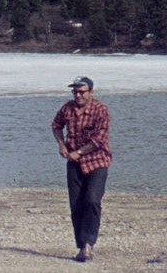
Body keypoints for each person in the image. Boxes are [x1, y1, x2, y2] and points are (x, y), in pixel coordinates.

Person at [51, 76, 111, 263]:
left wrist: (78, 152)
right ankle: (81, 245)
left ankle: (89, 245)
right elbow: (56, 125)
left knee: (92, 200)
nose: (78, 95)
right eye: (75, 92)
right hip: (74, 162)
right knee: (76, 204)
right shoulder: (67, 108)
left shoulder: (100, 110)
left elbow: (98, 141)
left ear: (90, 92)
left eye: (82, 92)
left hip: (97, 161)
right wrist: (61, 145)